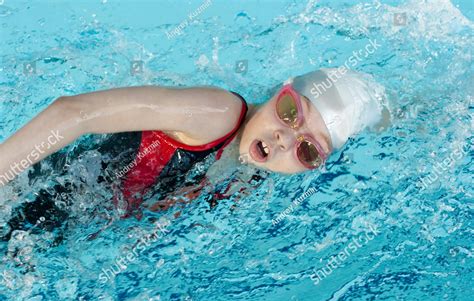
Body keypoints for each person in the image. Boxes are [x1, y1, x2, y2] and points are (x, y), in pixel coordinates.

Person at [0, 68, 389, 241]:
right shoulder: (216, 114)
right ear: (282, 89)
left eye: (308, 150)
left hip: (73, 223)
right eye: (291, 113)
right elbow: (74, 112)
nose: (286, 140)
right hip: (41, 191)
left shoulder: (253, 175)